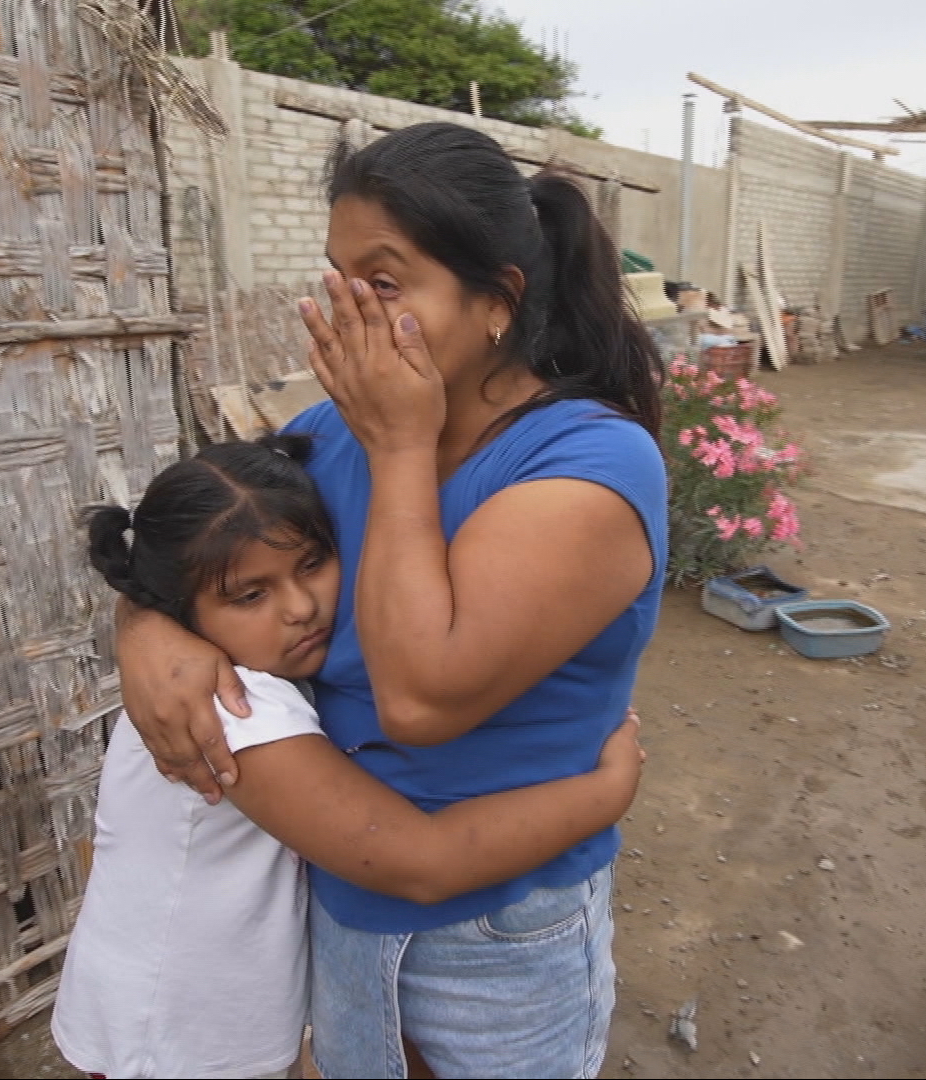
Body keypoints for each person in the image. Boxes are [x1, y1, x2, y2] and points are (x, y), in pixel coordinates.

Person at [115, 121, 669, 1078]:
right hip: (339, 898)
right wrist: (145, 633)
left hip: (501, 934)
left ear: (498, 300)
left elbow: (421, 699)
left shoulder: (588, 463)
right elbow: (189, 548)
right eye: (337, 278)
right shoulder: (327, 433)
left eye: (384, 281)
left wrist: (403, 450)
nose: (349, 313)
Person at [53, 434, 645, 1080]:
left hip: (189, 1021)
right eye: (251, 595)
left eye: (312, 564)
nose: (300, 607)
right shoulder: (234, 714)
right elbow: (424, 860)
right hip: (171, 1041)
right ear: (179, 613)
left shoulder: (242, 677)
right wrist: (605, 793)